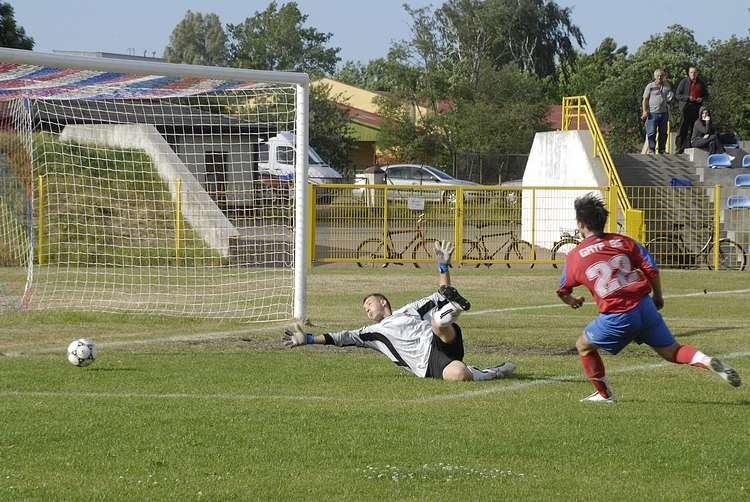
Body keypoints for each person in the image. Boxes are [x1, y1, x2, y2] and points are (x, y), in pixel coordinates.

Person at [556, 193, 741, 403]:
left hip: (618, 314)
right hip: (644, 306)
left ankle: (604, 395)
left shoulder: (574, 256)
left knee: (583, 345)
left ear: (580, 224)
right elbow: (651, 269)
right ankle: (705, 360)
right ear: (603, 220)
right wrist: (658, 296)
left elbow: (562, 290)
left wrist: (573, 301)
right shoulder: (623, 241)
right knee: (673, 351)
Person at [283, 241, 516, 381]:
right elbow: (342, 337)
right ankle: (492, 372)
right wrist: (308, 338)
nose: (367, 310)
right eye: (365, 309)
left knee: (437, 321)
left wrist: (443, 265)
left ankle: (453, 309)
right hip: (429, 364)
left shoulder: (410, 310)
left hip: (440, 339)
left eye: (369, 304)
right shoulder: (373, 332)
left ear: (383, 302)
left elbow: (442, 291)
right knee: (460, 375)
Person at [674, 65, 709, 154]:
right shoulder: (684, 82)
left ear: (697, 73)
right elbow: (677, 95)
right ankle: (679, 148)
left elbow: (706, 95)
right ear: (688, 73)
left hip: (697, 108)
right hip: (686, 108)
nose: (693, 74)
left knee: (695, 128)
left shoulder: (701, 83)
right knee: (683, 128)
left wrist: (702, 99)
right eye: (691, 72)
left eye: (694, 72)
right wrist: (688, 98)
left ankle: (692, 146)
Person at [641, 69, 674, 154]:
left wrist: (670, 97)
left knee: (663, 132)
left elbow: (669, 97)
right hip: (652, 113)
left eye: (661, 75)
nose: (660, 77)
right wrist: (644, 111)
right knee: (651, 132)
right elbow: (645, 99)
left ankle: (662, 149)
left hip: (664, 112)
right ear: (655, 76)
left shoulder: (667, 86)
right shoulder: (650, 86)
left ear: (664, 77)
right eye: (658, 75)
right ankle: (651, 149)